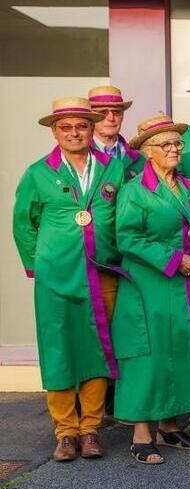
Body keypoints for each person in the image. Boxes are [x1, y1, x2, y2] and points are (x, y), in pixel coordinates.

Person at [13, 97, 125, 462]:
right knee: (59, 349)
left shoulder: (112, 168)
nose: (74, 133)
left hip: (101, 272)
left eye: (81, 126)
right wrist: (39, 266)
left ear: (92, 128)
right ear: (54, 131)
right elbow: (22, 224)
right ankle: (65, 431)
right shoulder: (38, 173)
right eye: (66, 127)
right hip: (56, 278)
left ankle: (91, 428)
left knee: (96, 347)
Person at [112, 114, 190, 464]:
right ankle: (142, 433)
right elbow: (127, 237)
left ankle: (170, 426)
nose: (174, 149)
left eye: (177, 143)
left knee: (179, 349)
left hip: (182, 285)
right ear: (147, 152)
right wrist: (173, 259)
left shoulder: (187, 187)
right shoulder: (134, 191)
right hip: (150, 282)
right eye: (166, 145)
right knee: (150, 355)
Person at [88, 85, 144, 179]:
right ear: (91, 117)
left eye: (116, 112)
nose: (111, 118)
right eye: (103, 112)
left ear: (122, 116)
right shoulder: (78, 154)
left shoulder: (139, 159)